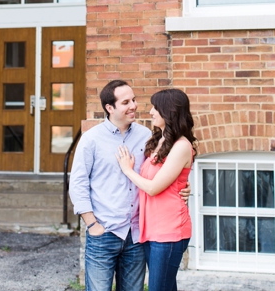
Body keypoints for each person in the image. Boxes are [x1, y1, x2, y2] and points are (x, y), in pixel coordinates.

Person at [69, 80, 190, 291]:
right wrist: (92, 225)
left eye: (133, 99)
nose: (133, 105)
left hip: (136, 235)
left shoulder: (147, 136)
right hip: (104, 233)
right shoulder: (91, 140)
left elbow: (162, 173)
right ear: (110, 107)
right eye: (125, 102)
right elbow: (78, 184)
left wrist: (183, 187)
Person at [116, 89, 196, 291]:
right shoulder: (160, 140)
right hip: (153, 229)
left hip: (170, 231)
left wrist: (127, 170)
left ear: (169, 112)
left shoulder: (181, 146)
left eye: (156, 108)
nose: (151, 111)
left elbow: (152, 188)